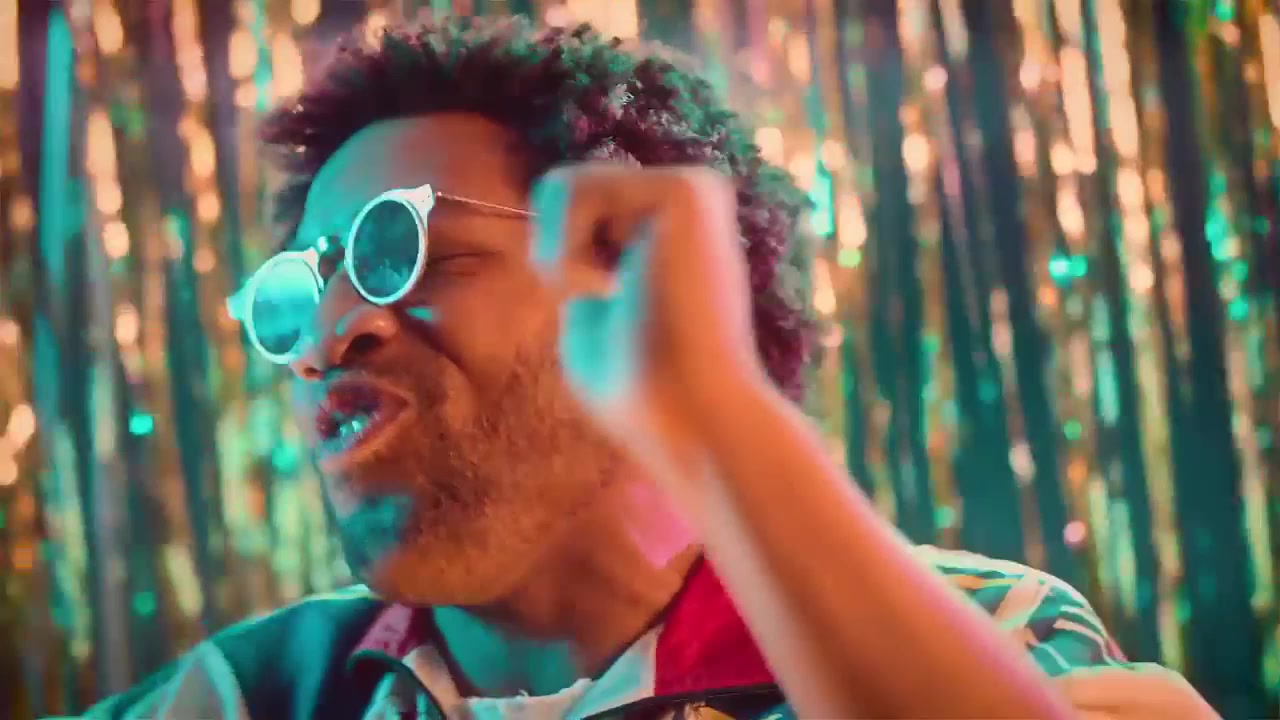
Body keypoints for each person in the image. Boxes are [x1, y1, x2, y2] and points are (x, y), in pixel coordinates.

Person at [85, 14, 1216, 720]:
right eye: (296, 295)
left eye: (401, 251)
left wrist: (713, 415)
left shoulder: (983, 634)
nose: (330, 336)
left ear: (634, 266)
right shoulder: (260, 693)